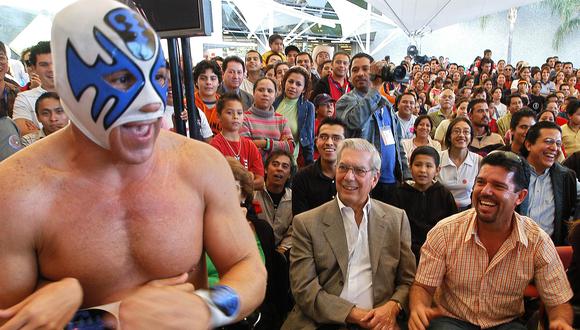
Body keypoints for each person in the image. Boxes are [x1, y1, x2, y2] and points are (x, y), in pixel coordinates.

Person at [0, 1, 266, 328]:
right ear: (69, 80)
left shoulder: (199, 163)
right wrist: (106, 315)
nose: (152, 100)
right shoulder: (16, 190)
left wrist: (207, 308)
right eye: (123, 78)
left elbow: (248, 265)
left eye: (158, 76)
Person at [409, 151, 574, 330]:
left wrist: (560, 321)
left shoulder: (537, 241)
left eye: (498, 186)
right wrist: (419, 308)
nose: (485, 191)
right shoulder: (445, 231)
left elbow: (558, 301)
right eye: (480, 182)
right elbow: (423, 287)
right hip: (453, 319)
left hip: (505, 323)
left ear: (520, 196)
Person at [282, 138, 416, 329]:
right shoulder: (306, 223)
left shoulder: (396, 219)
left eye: (359, 170)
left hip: (381, 320)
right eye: (343, 167)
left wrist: (393, 307)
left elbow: (407, 281)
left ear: (375, 178)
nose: (348, 177)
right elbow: (304, 290)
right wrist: (356, 315)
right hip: (322, 322)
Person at [336, 53, 410, 205]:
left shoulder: (386, 104)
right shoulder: (346, 100)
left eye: (366, 69)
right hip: (364, 180)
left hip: (391, 181)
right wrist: (375, 88)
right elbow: (354, 121)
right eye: (355, 70)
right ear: (349, 76)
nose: (361, 74)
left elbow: (397, 143)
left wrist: (406, 174)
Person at [519, 121, 580, 246]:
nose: (554, 148)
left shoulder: (566, 177)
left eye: (558, 143)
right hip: (515, 247)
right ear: (529, 145)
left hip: (550, 249)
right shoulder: (512, 172)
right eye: (548, 141)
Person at [393, 146, 457, 264]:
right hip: (406, 252)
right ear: (410, 167)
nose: (423, 170)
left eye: (428, 166)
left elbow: (453, 228)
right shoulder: (399, 193)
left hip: (437, 252)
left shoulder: (444, 195)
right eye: (418, 165)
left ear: (437, 170)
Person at [292, 117, 346, 216]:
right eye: (324, 137)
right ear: (316, 141)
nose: (329, 143)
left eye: (336, 138)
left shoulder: (353, 177)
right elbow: (300, 220)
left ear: (345, 143)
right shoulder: (302, 178)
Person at [211, 93, 264, 190]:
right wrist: (249, 176)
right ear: (218, 116)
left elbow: (260, 182)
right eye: (229, 113)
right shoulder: (215, 145)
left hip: (248, 202)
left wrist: (237, 183)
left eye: (239, 113)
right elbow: (219, 181)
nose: (235, 117)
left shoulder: (249, 145)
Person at [240, 77, 294, 162]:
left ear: (275, 95)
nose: (265, 94)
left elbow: (290, 147)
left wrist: (264, 143)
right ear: (253, 93)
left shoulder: (281, 119)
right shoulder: (244, 118)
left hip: (277, 170)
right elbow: (245, 147)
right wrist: (279, 145)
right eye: (261, 90)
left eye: (270, 91)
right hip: (253, 169)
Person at [254, 150, 294, 255]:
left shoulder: (294, 198)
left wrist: (282, 250)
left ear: (289, 174)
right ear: (266, 169)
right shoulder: (253, 194)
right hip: (254, 250)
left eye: (285, 166)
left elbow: (294, 230)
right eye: (275, 164)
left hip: (282, 254)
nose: (279, 168)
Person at [438, 117, 482, 210]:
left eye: (466, 132)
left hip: (466, 209)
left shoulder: (478, 161)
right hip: (440, 209)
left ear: (471, 137)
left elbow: (478, 193)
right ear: (449, 136)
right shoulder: (438, 158)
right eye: (456, 131)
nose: (461, 135)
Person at [274, 66, 315, 166]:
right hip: (267, 158)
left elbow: (308, 140)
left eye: (298, 84)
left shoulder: (308, 107)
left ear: (304, 89)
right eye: (290, 82)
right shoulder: (273, 101)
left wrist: (310, 165)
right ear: (284, 83)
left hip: (290, 162)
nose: (293, 86)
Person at [12, 41, 55, 136]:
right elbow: (26, 135)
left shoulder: (79, 92)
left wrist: (43, 133)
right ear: (33, 68)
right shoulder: (23, 98)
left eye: (55, 62)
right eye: (44, 64)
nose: (51, 69)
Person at [194, 59, 222, 135]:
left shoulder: (226, 104)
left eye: (213, 78)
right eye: (203, 78)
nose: (208, 82)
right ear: (196, 81)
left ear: (219, 82)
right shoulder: (187, 104)